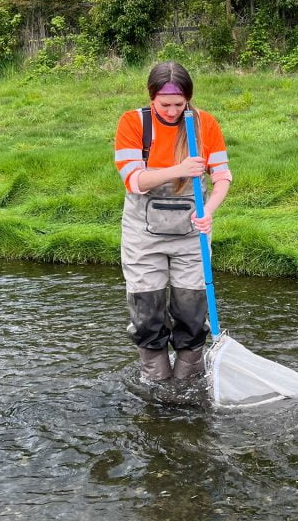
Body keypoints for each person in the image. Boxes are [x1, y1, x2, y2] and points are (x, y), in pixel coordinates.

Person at [113, 61, 232, 382]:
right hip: (143, 238)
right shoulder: (133, 122)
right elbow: (134, 181)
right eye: (164, 104)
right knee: (147, 313)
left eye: (179, 104)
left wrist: (209, 210)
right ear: (151, 98)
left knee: (192, 312)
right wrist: (179, 169)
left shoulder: (204, 124)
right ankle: (155, 383)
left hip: (192, 235)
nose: (171, 111)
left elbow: (222, 177)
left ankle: (188, 382)